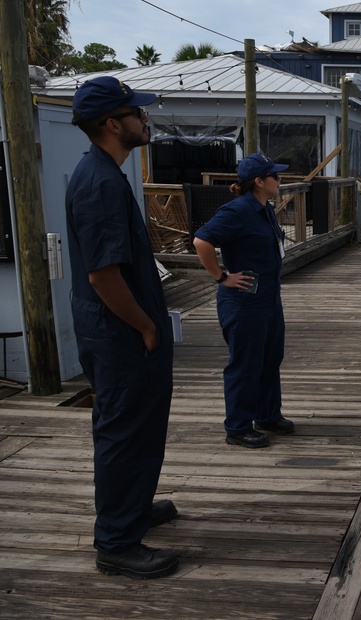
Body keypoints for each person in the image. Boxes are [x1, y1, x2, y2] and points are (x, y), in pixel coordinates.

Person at [65, 76, 179, 579]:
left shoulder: (106, 174)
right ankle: (116, 540)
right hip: (120, 334)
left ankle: (133, 508)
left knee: (140, 424)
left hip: (125, 331)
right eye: (136, 113)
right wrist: (146, 327)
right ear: (113, 124)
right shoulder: (100, 184)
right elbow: (103, 274)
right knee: (123, 430)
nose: (144, 119)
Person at [193, 153, 295, 449]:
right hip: (244, 301)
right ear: (259, 182)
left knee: (270, 359)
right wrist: (220, 276)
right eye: (275, 176)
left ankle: (267, 415)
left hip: (268, 298)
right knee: (246, 364)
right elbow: (202, 241)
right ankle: (237, 427)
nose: (280, 180)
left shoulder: (265, 208)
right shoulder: (237, 210)